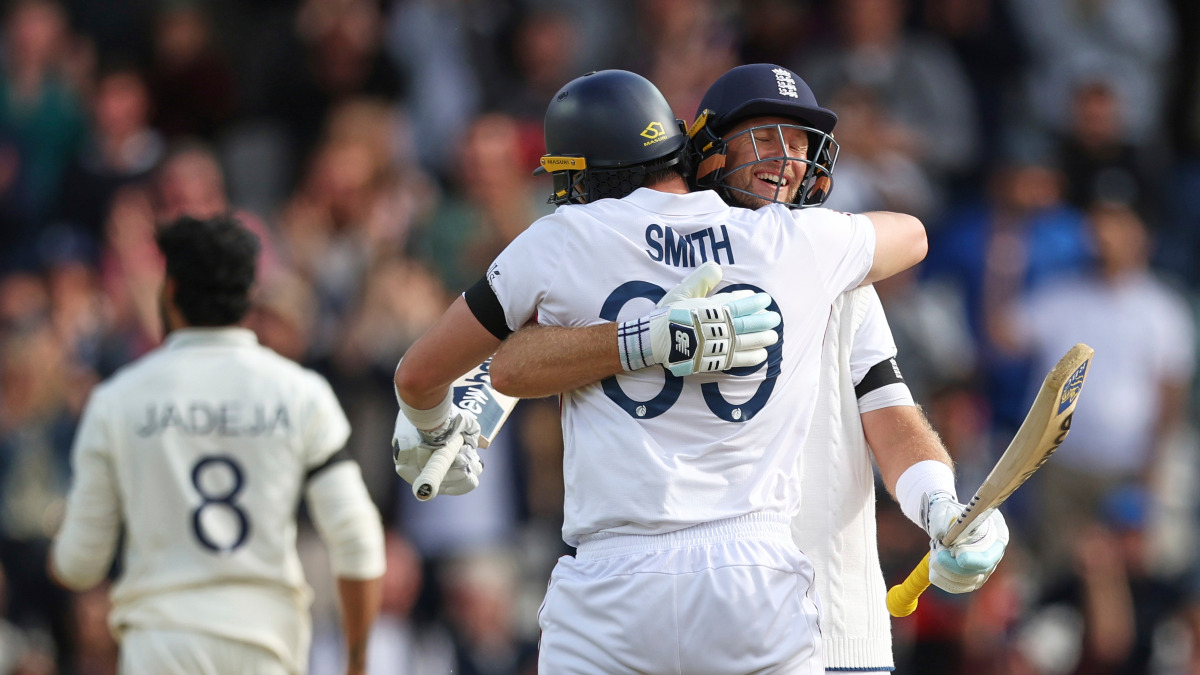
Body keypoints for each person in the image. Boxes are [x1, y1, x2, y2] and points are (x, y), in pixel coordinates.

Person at [393, 69, 927, 672]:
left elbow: (420, 374)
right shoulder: (791, 238)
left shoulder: (562, 238)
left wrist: (430, 425)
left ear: (588, 170)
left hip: (609, 583)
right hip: (754, 576)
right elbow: (912, 235)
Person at [50, 215, 386, 675]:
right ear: (250, 298)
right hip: (266, 644)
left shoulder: (116, 401)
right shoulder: (301, 393)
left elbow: (79, 564)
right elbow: (359, 540)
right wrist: (357, 661)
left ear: (169, 291)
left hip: (162, 646)